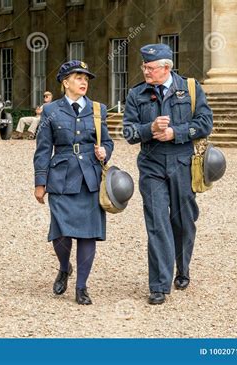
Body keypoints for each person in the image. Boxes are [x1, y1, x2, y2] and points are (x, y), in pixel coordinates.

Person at [123, 44, 213, 305]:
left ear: (165, 68)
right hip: (151, 165)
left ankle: (182, 268)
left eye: (150, 68)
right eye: (144, 67)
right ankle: (159, 285)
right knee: (157, 223)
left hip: (182, 163)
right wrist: (149, 129)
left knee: (184, 221)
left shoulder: (191, 89)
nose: (145, 72)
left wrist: (177, 132)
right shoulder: (136, 94)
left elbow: (205, 123)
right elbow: (128, 133)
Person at [33, 61, 114, 305]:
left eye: (86, 78)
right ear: (65, 83)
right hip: (61, 178)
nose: (83, 82)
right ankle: (64, 267)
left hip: (90, 179)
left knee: (88, 235)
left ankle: (81, 287)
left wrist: (105, 152)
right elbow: (43, 148)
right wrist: (40, 181)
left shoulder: (98, 109)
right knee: (60, 233)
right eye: (77, 77)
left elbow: (108, 142)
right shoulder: (51, 111)